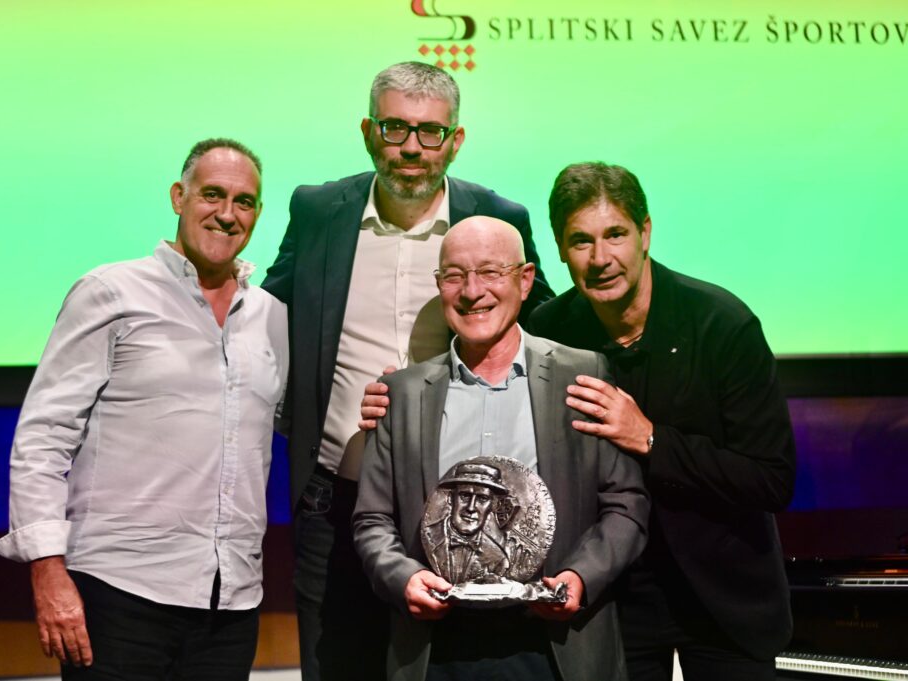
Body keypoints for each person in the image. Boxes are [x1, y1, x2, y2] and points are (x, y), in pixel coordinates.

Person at [260, 61, 553, 680]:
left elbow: (546, 328)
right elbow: (267, 308)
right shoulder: (318, 210)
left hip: (454, 505)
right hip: (333, 498)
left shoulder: (496, 216)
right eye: (395, 128)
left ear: (456, 139)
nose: (413, 147)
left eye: (430, 132)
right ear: (369, 132)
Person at [0, 138, 288, 680]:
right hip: (118, 594)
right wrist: (47, 571)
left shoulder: (270, 316)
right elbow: (43, 438)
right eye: (212, 195)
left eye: (243, 201)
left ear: (258, 213)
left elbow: (289, 423)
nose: (227, 214)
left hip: (231, 603)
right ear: (178, 197)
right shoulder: (110, 292)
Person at [527, 162, 796, 680]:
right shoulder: (549, 330)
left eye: (615, 235)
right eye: (581, 241)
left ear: (645, 233)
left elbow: (771, 479)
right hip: (612, 597)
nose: (600, 258)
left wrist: (650, 438)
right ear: (559, 248)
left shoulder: (722, 324)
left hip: (725, 598)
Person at [353, 216, 649, 681]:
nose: (473, 291)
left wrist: (580, 577)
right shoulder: (402, 394)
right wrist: (402, 577)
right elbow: (372, 519)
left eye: (491, 272)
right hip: (436, 650)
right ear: (439, 284)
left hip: (554, 646)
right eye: (455, 275)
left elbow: (626, 503)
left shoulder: (582, 376)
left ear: (525, 280)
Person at [421, 462, 512, 584]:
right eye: (465, 495)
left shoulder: (498, 558)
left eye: (482, 499)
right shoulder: (429, 536)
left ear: (492, 505)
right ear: (450, 498)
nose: (471, 507)